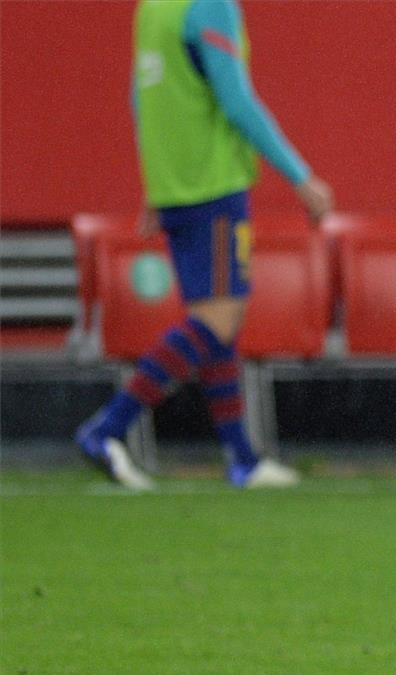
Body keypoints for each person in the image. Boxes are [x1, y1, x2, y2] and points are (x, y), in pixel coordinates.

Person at [75, 0, 333, 489]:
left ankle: (242, 459)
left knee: (219, 323)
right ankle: (108, 428)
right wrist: (300, 176)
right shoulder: (210, 6)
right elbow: (236, 102)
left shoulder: (153, 9)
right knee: (217, 320)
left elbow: (140, 96)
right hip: (213, 187)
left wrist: (155, 182)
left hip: (175, 187)